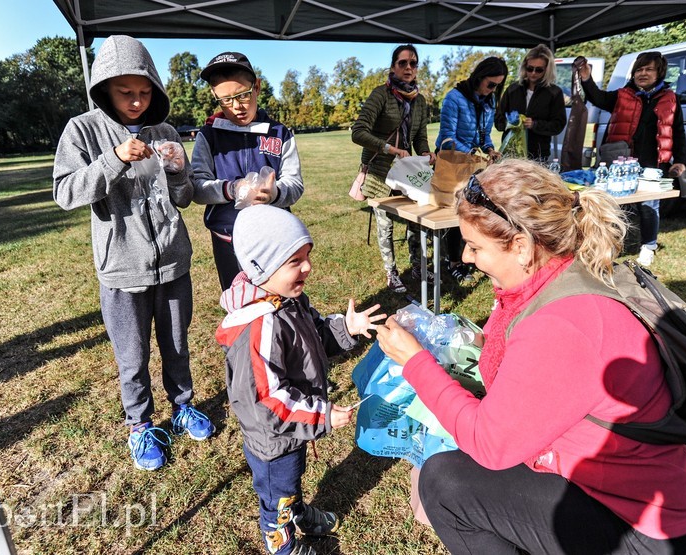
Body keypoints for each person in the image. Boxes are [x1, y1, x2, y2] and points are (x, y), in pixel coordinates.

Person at [376, 159, 686, 554]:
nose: (465, 257)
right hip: (627, 489)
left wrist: (416, 362)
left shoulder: (562, 324)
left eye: (476, 246)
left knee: (443, 483)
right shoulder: (562, 276)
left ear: (521, 246)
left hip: (636, 528)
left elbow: (491, 445)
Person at [53, 35, 214, 471]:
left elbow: (182, 198)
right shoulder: (82, 130)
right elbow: (66, 192)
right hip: (122, 269)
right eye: (126, 93)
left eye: (145, 93)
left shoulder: (164, 131)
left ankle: (183, 406)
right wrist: (115, 159)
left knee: (177, 345)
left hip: (174, 262)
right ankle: (140, 425)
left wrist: (179, 172)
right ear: (105, 88)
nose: (137, 102)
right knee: (132, 354)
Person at [216, 204, 385, 555]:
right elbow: (267, 399)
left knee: (289, 485)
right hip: (274, 440)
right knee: (276, 496)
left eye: (307, 256)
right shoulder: (261, 325)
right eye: (295, 261)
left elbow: (315, 339)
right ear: (262, 267)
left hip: (292, 433)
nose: (308, 266)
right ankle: (282, 542)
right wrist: (320, 415)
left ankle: (296, 510)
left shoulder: (288, 300)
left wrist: (346, 328)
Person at [191, 51, 304, 292]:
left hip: (274, 239)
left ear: (257, 87)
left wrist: (274, 193)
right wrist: (230, 189)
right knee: (239, 302)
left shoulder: (279, 133)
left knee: (280, 302)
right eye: (225, 100)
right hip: (228, 238)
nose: (236, 106)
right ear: (214, 95)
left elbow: (295, 183)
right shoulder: (209, 135)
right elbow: (197, 187)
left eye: (243, 95)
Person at [579, 51, 686, 267]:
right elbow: (597, 97)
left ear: (659, 73)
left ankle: (648, 245)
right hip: (622, 162)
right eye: (639, 69)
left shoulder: (671, 99)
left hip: (654, 164)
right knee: (616, 206)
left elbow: (678, 130)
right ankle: (612, 244)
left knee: (649, 206)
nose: (643, 73)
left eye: (648, 69)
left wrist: (681, 160)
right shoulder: (622, 95)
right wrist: (586, 78)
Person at [352, 44, 436, 293]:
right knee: (385, 222)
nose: (409, 67)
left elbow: (419, 135)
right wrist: (388, 149)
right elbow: (358, 132)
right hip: (380, 169)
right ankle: (391, 273)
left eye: (413, 63)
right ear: (393, 67)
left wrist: (424, 152)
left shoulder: (419, 100)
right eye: (403, 63)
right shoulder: (381, 94)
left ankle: (418, 265)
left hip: (407, 169)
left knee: (417, 219)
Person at [436, 56, 508, 285]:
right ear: (479, 77)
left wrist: (490, 149)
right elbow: (447, 137)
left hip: (474, 165)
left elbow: (485, 135)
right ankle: (453, 262)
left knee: (475, 211)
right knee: (454, 214)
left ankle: (470, 256)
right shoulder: (454, 98)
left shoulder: (490, 101)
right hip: (451, 164)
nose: (493, 90)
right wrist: (471, 153)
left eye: (498, 86)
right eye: (491, 84)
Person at [496, 44, 566, 161]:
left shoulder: (554, 93)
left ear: (547, 70)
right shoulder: (512, 90)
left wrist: (535, 124)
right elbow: (498, 121)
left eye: (539, 70)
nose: (533, 73)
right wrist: (510, 122)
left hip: (538, 154)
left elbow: (558, 125)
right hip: (511, 152)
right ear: (524, 67)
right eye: (530, 68)